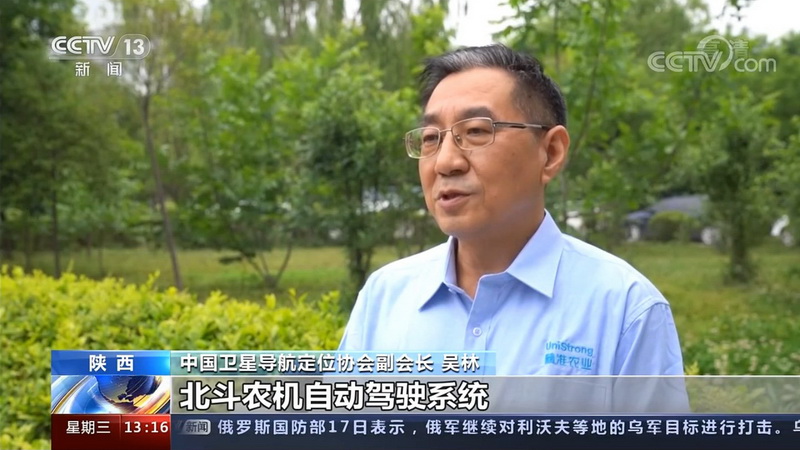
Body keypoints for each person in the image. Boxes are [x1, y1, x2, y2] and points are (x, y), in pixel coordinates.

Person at [338, 44, 685, 377]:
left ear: (550, 152)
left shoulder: (625, 309)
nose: (445, 162)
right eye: (431, 138)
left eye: (476, 131)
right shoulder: (384, 296)